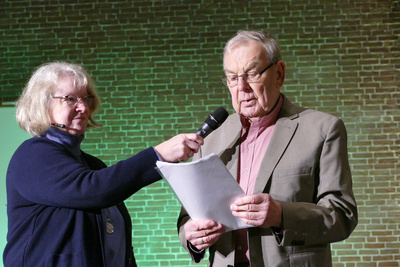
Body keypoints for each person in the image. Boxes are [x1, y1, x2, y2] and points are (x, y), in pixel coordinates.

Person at [177, 30, 358, 267]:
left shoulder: (323, 130)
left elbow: (342, 215)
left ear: (279, 73)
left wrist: (281, 215)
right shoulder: (211, 139)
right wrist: (190, 235)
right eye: (232, 77)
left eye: (251, 74)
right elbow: (188, 216)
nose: (241, 87)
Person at [3, 61, 203, 267]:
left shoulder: (93, 165)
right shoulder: (32, 154)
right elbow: (92, 189)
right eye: (70, 99)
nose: (82, 107)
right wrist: (158, 155)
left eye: (85, 98)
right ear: (42, 104)